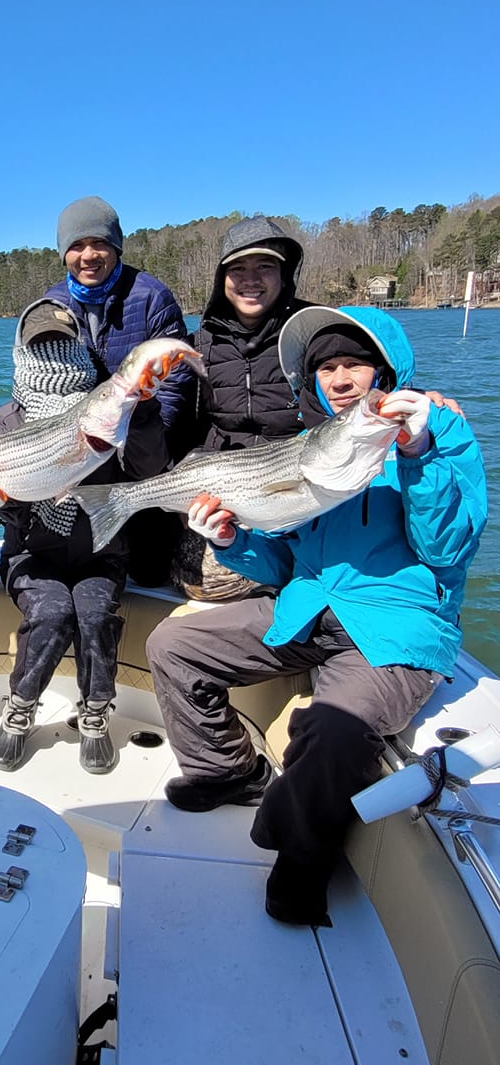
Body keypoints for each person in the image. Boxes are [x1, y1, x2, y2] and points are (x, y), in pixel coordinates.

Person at [146, 305, 487, 926]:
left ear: (384, 370)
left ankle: (301, 861)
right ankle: (226, 772)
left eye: (353, 363)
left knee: (333, 730)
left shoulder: (441, 436)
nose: (339, 378)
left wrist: (418, 452)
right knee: (174, 645)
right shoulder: (307, 447)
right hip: (305, 609)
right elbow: (276, 563)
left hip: (392, 628)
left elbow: (448, 547)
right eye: (326, 368)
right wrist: (228, 537)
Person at [0, 298, 171, 772]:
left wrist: (143, 412)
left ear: (79, 346)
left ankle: (95, 712)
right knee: (51, 611)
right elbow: (7, 509)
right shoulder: (4, 420)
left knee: (92, 612)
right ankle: (20, 708)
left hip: (102, 551)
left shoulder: (109, 404)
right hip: (31, 554)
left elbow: (148, 469)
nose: (51, 354)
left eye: (61, 343)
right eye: (40, 345)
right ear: (22, 351)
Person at [45, 194, 194, 584]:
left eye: (100, 244)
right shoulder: (51, 306)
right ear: (63, 254)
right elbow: (42, 389)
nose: (89, 255)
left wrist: (143, 442)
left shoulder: (150, 296)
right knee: (79, 568)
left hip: (146, 449)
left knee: (148, 575)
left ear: (117, 247)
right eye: (76, 245)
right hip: (85, 454)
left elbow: (176, 387)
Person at [170, 215, 310, 599]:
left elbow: (366, 382)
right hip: (226, 491)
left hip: (299, 489)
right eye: (238, 269)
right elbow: (181, 426)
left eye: (264, 267)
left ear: (284, 275)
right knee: (202, 587)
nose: (251, 279)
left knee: (296, 582)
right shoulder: (199, 342)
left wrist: (420, 397)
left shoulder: (313, 331)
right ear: (222, 278)